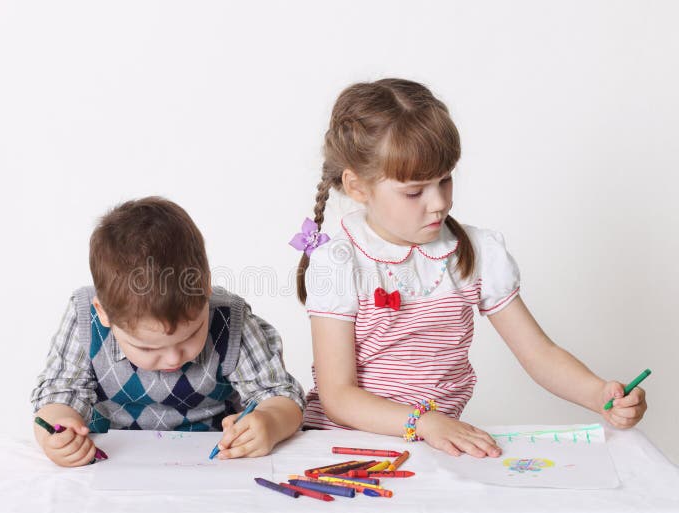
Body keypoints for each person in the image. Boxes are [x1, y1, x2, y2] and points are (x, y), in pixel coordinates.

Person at [291, 78, 647, 458]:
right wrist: (423, 422)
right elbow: (338, 396)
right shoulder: (341, 263)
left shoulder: (475, 253)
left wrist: (598, 393)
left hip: (431, 449)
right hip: (345, 450)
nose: (438, 203)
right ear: (358, 187)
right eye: (415, 191)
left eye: (445, 180)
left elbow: (538, 353)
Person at [32, 197, 305, 467]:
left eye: (190, 336)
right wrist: (58, 433)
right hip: (114, 467)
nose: (174, 359)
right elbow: (60, 393)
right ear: (104, 313)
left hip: (214, 466)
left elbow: (280, 396)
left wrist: (270, 421)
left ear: (207, 289)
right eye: (148, 348)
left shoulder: (229, 319)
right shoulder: (85, 321)